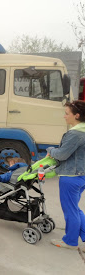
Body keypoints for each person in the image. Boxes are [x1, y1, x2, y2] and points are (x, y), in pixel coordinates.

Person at [46, 100, 85, 252]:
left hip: (71, 177)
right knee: (75, 208)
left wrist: (51, 149)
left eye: (66, 113)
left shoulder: (75, 134)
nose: (64, 116)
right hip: (81, 176)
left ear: (77, 115)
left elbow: (61, 155)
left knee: (70, 210)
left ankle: (70, 241)